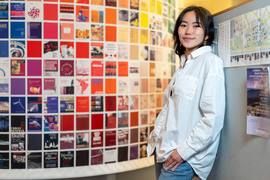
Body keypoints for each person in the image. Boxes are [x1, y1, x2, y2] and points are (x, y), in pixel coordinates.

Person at [147, 6, 225, 180]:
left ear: (207, 34)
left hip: (182, 158)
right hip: (163, 150)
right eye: (183, 25)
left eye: (196, 26)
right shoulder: (184, 64)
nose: (188, 31)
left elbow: (213, 118)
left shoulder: (210, 62)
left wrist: (182, 153)